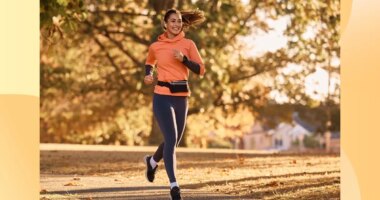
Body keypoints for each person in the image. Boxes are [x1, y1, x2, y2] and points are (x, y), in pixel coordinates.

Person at [143, 8, 206, 200]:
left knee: (175, 140)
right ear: (165, 24)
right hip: (162, 96)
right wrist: (148, 74)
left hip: (181, 96)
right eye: (173, 21)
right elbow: (149, 62)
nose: (176, 24)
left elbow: (201, 70)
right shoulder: (156, 46)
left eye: (179, 21)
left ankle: (152, 161)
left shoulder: (188, 44)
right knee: (171, 138)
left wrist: (184, 60)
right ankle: (174, 186)